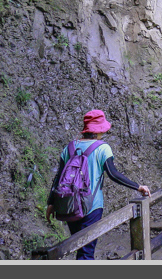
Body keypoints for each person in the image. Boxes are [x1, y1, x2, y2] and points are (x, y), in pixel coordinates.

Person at [45, 110, 150, 260]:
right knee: (86, 252)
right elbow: (113, 174)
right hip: (92, 206)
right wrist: (138, 186)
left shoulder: (69, 147)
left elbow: (59, 177)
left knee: (79, 248)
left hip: (68, 204)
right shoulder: (102, 148)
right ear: (100, 129)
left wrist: (51, 203)